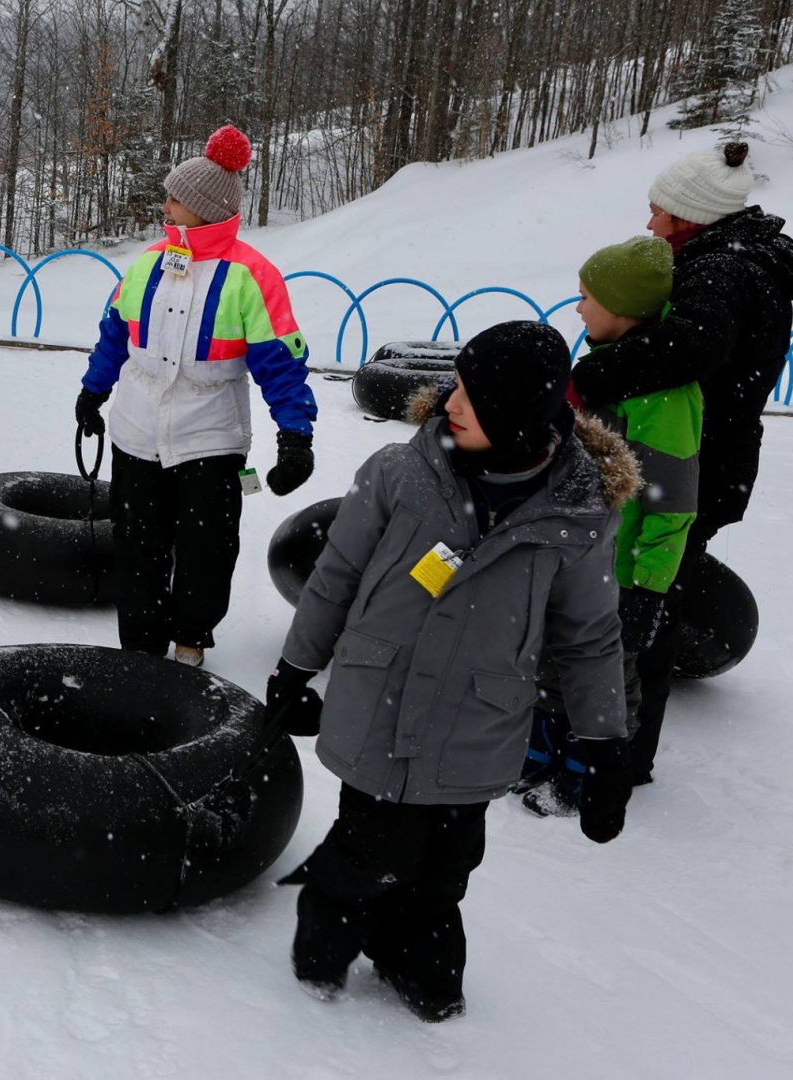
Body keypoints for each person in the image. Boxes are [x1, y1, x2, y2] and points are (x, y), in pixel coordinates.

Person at [262, 322, 637, 1022]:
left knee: (446, 865)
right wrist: (295, 666)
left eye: (472, 394)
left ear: (521, 415)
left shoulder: (577, 515)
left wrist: (605, 742)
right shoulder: (399, 473)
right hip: (381, 703)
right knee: (369, 850)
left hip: (477, 722)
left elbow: (588, 637)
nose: (448, 402)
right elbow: (336, 576)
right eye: (454, 384)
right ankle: (325, 945)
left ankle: (416, 960)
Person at [569, 142, 793, 783]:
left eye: (657, 212)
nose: (649, 223)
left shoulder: (722, 272)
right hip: (704, 462)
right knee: (649, 596)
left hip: (687, 467)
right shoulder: (739, 262)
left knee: (647, 607)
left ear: (689, 215)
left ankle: (622, 755)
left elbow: (686, 348)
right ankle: (612, 736)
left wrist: (586, 381)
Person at [75, 125, 316, 669]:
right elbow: (114, 335)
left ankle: (191, 636)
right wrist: (92, 392)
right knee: (137, 544)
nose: (164, 206)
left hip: (211, 437)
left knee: (208, 548)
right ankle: (141, 644)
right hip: (137, 432)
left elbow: (281, 363)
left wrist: (295, 435)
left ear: (203, 208)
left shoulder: (251, 276)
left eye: (174, 198)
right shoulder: (147, 262)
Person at [521, 237, 701, 815]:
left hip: (619, 572)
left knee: (605, 676)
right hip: (572, 556)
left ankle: (591, 768)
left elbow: (673, 504)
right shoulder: (602, 370)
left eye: (586, 297)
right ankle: (545, 743)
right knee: (552, 653)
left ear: (621, 307)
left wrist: (648, 587)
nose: (577, 308)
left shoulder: (663, 395)